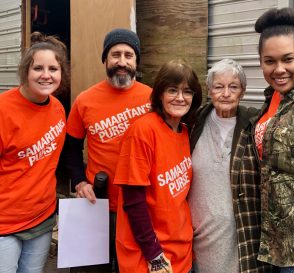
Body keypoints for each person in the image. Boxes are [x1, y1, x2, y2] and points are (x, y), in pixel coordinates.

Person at [64, 28, 152, 272]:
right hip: (95, 204)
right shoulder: (85, 100)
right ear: (105, 59)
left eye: (128, 55)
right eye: (115, 54)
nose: (121, 62)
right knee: (89, 268)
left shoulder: (153, 99)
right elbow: (70, 149)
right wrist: (80, 182)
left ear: (136, 61)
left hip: (138, 207)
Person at [113, 59, 202, 273]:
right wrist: (154, 255)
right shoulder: (143, 131)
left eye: (187, 92)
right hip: (149, 257)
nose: (180, 98)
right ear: (160, 93)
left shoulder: (184, 132)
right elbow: (133, 201)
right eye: (172, 90)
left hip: (181, 252)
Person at [188, 58, 275, 273]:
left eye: (233, 87)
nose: (225, 93)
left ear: (243, 91)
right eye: (219, 86)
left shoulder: (255, 124)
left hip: (243, 237)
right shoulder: (193, 124)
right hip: (200, 237)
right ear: (209, 90)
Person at [253, 7, 294, 272]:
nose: (279, 69)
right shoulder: (272, 101)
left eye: (287, 59)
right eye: (270, 61)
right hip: (277, 249)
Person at [0, 32, 69, 273]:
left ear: (62, 74)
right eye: (38, 68)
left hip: (41, 218)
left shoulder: (58, 109)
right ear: (25, 72)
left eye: (53, 68)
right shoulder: (3, 110)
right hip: (4, 223)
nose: (46, 75)